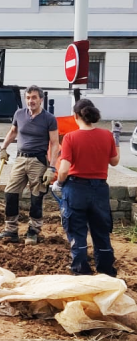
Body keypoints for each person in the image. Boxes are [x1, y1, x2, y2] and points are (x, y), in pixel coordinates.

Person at [51, 99, 120, 277]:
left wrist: (58, 183)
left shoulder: (71, 138)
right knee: (101, 233)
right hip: (99, 190)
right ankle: (106, 273)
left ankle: (82, 272)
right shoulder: (106, 135)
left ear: (75, 116)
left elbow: (64, 169)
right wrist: (116, 138)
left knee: (77, 233)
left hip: (76, 190)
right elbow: (114, 161)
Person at [0, 85, 59, 245]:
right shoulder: (19, 114)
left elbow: (55, 143)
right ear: (25, 99)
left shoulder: (49, 118)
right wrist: (3, 148)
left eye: (34, 98)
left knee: (36, 197)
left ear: (41, 99)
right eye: (28, 98)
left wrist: (51, 168)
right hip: (20, 159)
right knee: (10, 192)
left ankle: (33, 231)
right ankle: (11, 230)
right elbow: (13, 132)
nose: (31, 101)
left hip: (38, 161)